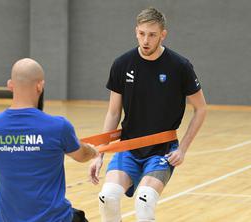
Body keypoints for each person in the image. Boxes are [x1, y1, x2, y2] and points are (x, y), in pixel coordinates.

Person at [89, 7, 207, 222]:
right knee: (107, 197)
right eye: (142, 33)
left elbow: (201, 109)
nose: (146, 40)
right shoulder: (122, 64)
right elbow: (114, 112)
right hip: (128, 148)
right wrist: (100, 154)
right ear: (136, 31)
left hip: (162, 151)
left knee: (144, 201)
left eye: (152, 35)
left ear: (163, 35)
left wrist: (183, 149)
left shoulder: (180, 66)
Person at [0, 58, 97, 222]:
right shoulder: (58, 126)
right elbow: (82, 155)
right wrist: (92, 151)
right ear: (39, 86)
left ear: (10, 85)